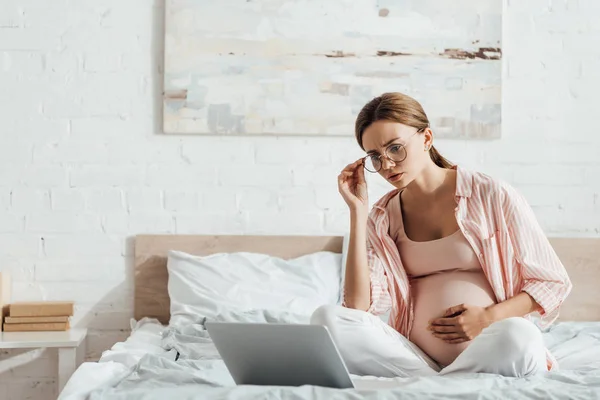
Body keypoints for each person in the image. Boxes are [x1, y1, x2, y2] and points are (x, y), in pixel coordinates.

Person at [311, 92, 572, 378]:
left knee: (520, 335)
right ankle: (440, 383)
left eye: (395, 148)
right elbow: (359, 307)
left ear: (426, 138)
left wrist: (487, 318)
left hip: (493, 348)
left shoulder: (490, 194)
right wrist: (358, 212)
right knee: (326, 319)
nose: (386, 165)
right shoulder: (383, 216)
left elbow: (552, 282)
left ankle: (432, 387)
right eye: (375, 156)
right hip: (416, 361)